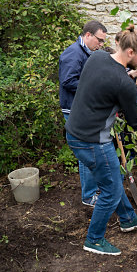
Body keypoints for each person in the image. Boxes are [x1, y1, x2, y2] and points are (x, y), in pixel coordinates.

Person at [65, 24, 137, 255]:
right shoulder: (123, 83)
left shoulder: (98, 57)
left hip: (76, 132)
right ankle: (94, 240)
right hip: (92, 141)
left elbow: (106, 79)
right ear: (130, 52)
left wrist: (125, 75)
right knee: (110, 190)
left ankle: (128, 219)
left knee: (113, 178)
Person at [59, 20, 107, 207]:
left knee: (91, 151)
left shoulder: (86, 53)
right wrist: (94, 88)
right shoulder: (74, 53)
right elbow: (68, 81)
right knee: (87, 153)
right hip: (74, 111)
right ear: (88, 35)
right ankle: (89, 196)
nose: (101, 45)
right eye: (99, 40)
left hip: (83, 110)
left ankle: (94, 189)